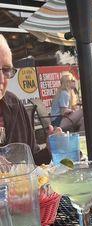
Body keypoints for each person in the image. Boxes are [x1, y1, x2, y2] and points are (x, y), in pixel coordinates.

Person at [0, 34, 51, 165]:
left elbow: (31, 161)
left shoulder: (13, 103)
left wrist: (49, 151)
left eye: (6, 70)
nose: (1, 80)